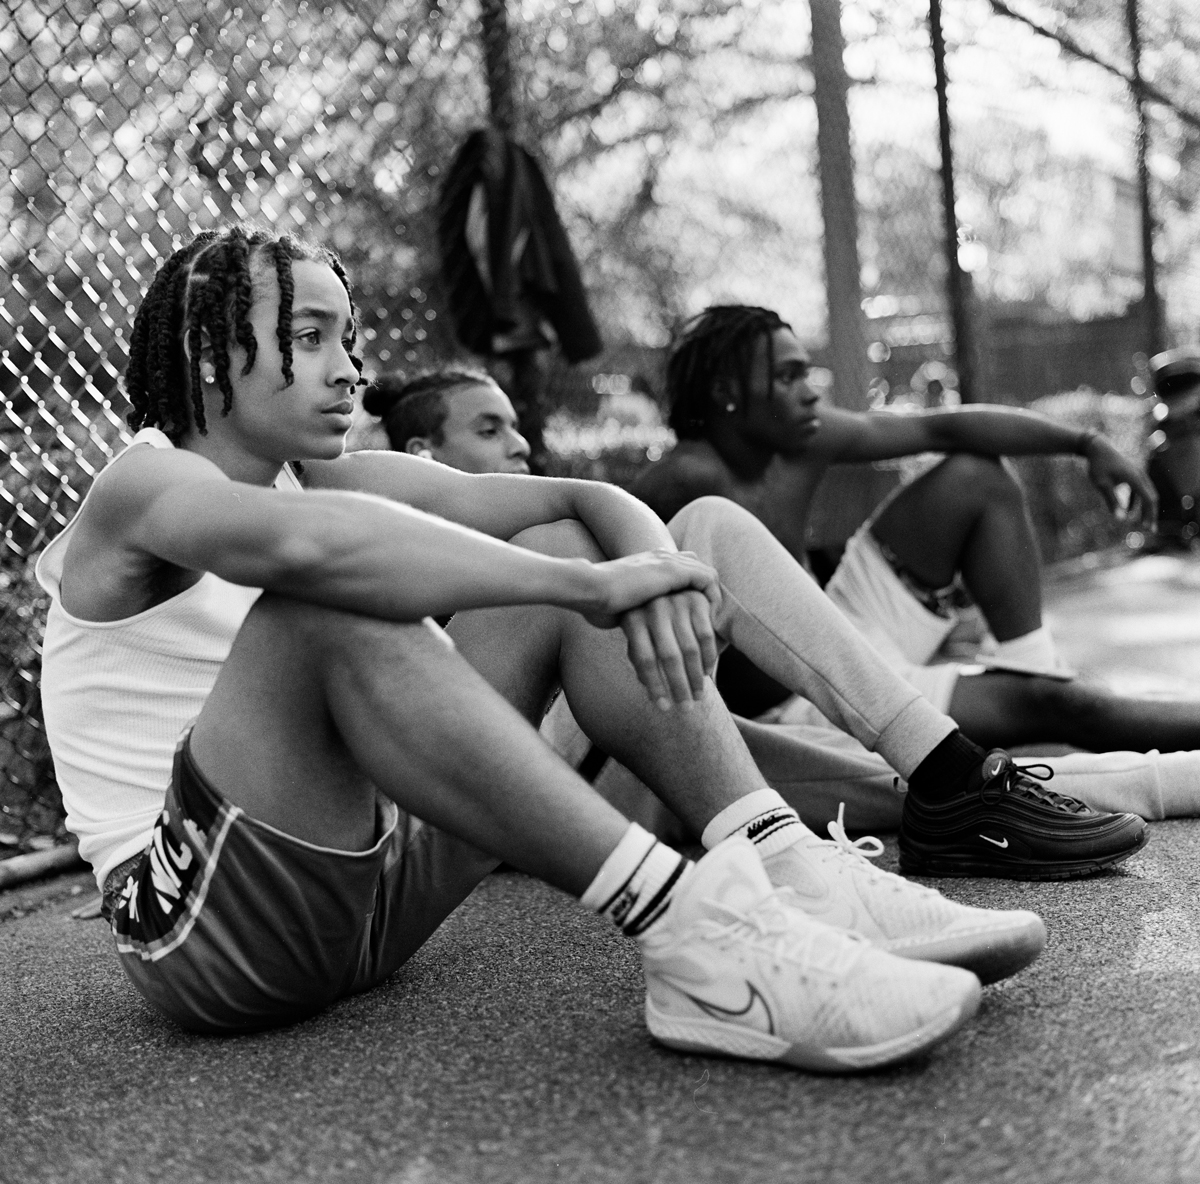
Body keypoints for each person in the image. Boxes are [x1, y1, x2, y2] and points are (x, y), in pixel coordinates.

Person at [36, 226, 1068, 1074]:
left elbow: (582, 499)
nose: (350, 368)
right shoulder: (145, 485)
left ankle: (783, 865)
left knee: (566, 540)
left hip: (375, 895)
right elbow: (311, 555)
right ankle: (695, 938)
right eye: (309, 336)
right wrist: (587, 586)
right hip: (202, 932)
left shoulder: (324, 475)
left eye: (349, 337)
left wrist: (645, 568)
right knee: (333, 604)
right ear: (206, 352)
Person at [361, 367, 1181, 871]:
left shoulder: (517, 517)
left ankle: (1156, 781)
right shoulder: (367, 523)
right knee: (703, 529)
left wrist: (657, 584)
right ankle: (950, 779)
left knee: (893, 786)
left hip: (593, 771)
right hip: (484, 789)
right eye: (489, 428)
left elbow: (601, 519)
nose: (520, 444)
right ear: (419, 455)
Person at [629, 304, 1200, 762]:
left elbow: (943, 426)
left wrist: (1086, 444)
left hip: (839, 621)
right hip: (803, 700)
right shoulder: (682, 481)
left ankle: (1035, 675)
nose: (810, 389)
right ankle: (1042, 702)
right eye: (787, 376)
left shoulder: (801, 436)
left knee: (976, 474)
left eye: (805, 370)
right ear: (728, 392)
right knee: (1063, 707)